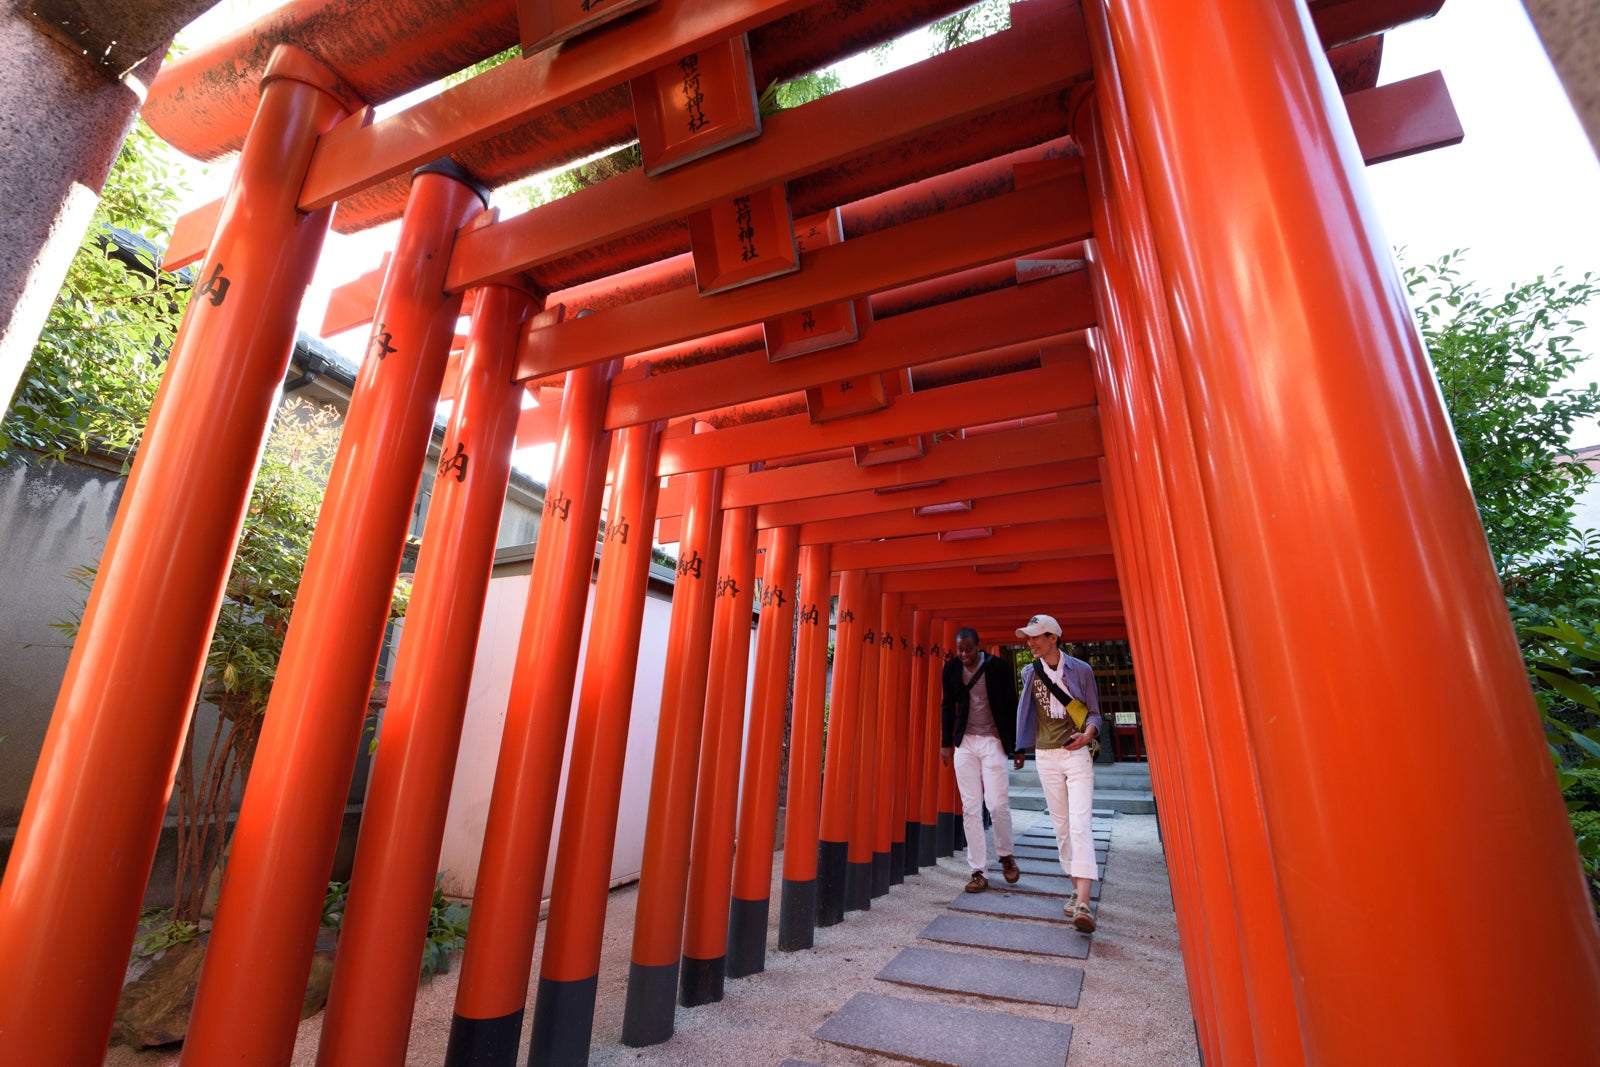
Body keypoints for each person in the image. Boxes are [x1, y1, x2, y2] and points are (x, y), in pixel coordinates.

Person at [1014, 613, 1101, 932]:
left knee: (1080, 824)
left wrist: (1088, 735)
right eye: (1028, 637)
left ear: (1054, 637)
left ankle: (1084, 902)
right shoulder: (1028, 672)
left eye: (1037, 636)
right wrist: (1020, 748)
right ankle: (1075, 887)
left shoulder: (1082, 670)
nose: (1031, 642)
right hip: (1045, 756)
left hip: (1076, 753)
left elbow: (1094, 712)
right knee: (1062, 828)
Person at [940, 627, 1023, 893]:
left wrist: (1018, 746)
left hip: (993, 741)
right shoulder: (951, 669)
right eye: (959, 650)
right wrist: (945, 743)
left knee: (997, 803)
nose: (963, 654)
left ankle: (1006, 854)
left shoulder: (997, 667)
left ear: (979, 646)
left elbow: (1012, 705)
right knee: (971, 808)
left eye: (968, 649)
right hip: (965, 743)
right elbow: (947, 706)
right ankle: (978, 871)